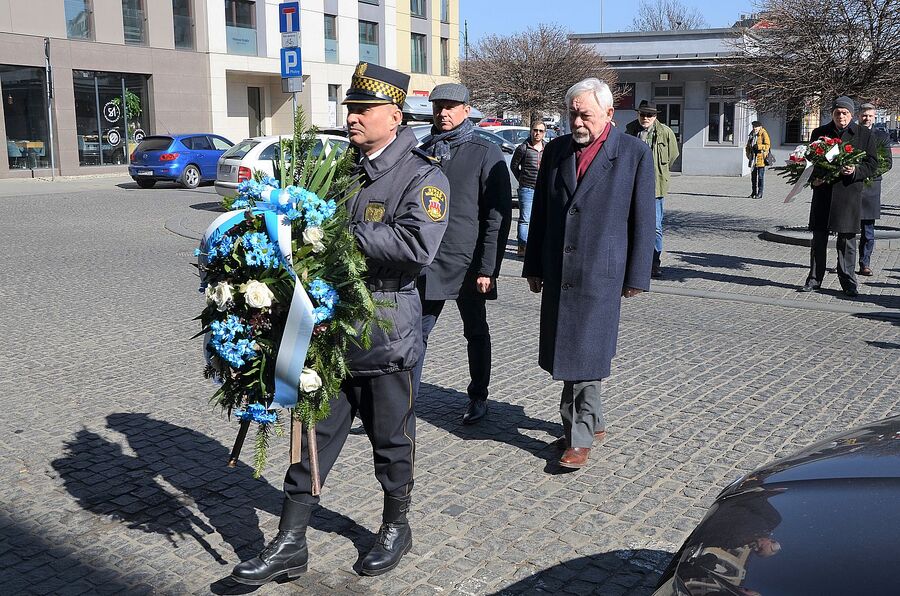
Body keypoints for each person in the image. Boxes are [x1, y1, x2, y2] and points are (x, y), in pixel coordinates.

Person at [230, 62, 450, 585]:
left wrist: (335, 236)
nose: (351, 118)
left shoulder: (423, 174)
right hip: (326, 331)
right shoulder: (341, 168)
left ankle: (396, 526)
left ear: (394, 116)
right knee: (310, 435)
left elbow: (418, 247)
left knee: (391, 440)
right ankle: (290, 543)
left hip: (385, 332)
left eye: (363, 110)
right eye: (349, 109)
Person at [523, 78, 655, 469]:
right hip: (559, 269)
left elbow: (643, 219)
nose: (577, 122)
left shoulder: (633, 153)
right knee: (574, 350)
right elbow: (542, 213)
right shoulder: (557, 150)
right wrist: (533, 265)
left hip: (602, 270)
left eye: (586, 115)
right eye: (572, 113)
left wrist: (637, 275)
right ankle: (593, 421)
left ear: (609, 115)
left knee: (583, 352)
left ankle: (576, 437)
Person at [413, 83, 512, 425]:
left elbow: (497, 216)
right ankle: (402, 403)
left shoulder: (485, 152)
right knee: (415, 334)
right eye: (438, 106)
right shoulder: (423, 150)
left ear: (467, 110)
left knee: (475, 330)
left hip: (468, 262)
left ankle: (478, 396)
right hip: (427, 260)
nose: (443, 112)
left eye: (452, 106)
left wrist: (488, 267)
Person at [800, 96, 878, 298]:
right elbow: (810, 162)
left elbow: (872, 164)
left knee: (847, 242)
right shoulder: (819, 133)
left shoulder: (863, 134)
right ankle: (814, 280)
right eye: (837, 112)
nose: (841, 116)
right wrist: (813, 179)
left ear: (852, 115)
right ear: (832, 113)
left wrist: (855, 170)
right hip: (823, 193)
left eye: (845, 113)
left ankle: (848, 282)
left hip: (848, 194)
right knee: (819, 240)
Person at [624, 100, 679, 278]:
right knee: (632, 224)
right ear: (637, 114)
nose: (646, 118)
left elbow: (672, 156)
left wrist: (659, 173)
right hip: (633, 186)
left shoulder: (665, 133)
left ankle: (654, 263)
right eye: (643, 114)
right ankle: (634, 263)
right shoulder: (630, 131)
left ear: (655, 116)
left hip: (656, 188)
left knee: (655, 227)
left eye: (650, 115)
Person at [857, 103, 892, 276]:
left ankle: (865, 263)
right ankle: (844, 263)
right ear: (859, 115)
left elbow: (887, 162)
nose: (867, 118)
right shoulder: (851, 133)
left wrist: (866, 173)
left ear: (875, 117)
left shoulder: (881, 136)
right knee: (845, 229)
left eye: (870, 116)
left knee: (868, 230)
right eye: (864, 115)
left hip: (871, 186)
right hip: (851, 185)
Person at [510, 119, 547, 257]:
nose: (537, 133)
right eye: (535, 130)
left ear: (544, 133)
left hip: (542, 189)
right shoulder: (523, 148)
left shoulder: (547, 148)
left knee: (541, 219)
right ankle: (522, 246)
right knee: (525, 219)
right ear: (531, 131)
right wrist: (522, 179)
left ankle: (537, 246)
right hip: (527, 188)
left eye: (540, 131)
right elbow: (514, 166)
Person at [745, 120, 771, 199]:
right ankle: (753, 192)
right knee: (753, 177)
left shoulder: (763, 133)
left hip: (761, 158)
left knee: (760, 176)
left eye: (756, 127)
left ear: (760, 127)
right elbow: (748, 145)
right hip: (753, 158)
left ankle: (760, 193)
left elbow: (767, 145)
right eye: (753, 127)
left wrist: (759, 147)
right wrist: (748, 154)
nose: (754, 128)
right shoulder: (751, 134)